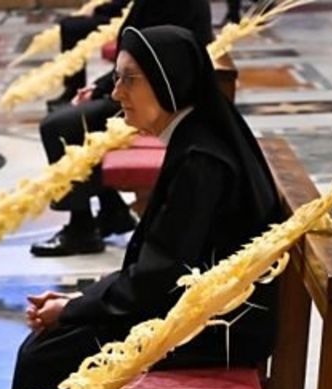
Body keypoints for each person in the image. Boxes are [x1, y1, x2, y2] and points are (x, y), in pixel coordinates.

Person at [0, 25, 282, 389]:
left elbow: (155, 279)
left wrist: (73, 308)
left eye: (128, 80)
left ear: (170, 84)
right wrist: (81, 301)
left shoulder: (202, 158)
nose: (118, 93)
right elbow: (157, 271)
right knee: (58, 348)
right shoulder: (195, 138)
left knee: (49, 355)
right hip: (201, 313)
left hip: (219, 332)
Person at [30, 0, 214, 257]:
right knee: (71, 122)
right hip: (145, 88)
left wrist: (105, 88)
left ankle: (81, 229)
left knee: (59, 127)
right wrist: (100, 87)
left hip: (160, 99)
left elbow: (149, 56)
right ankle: (112, 210)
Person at [46, 0, 131, 112]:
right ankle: (72, 88)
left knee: (72, 28)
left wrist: (98, 10)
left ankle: (75, 90)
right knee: (69, 25)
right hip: (122, 12)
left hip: (128, 17)